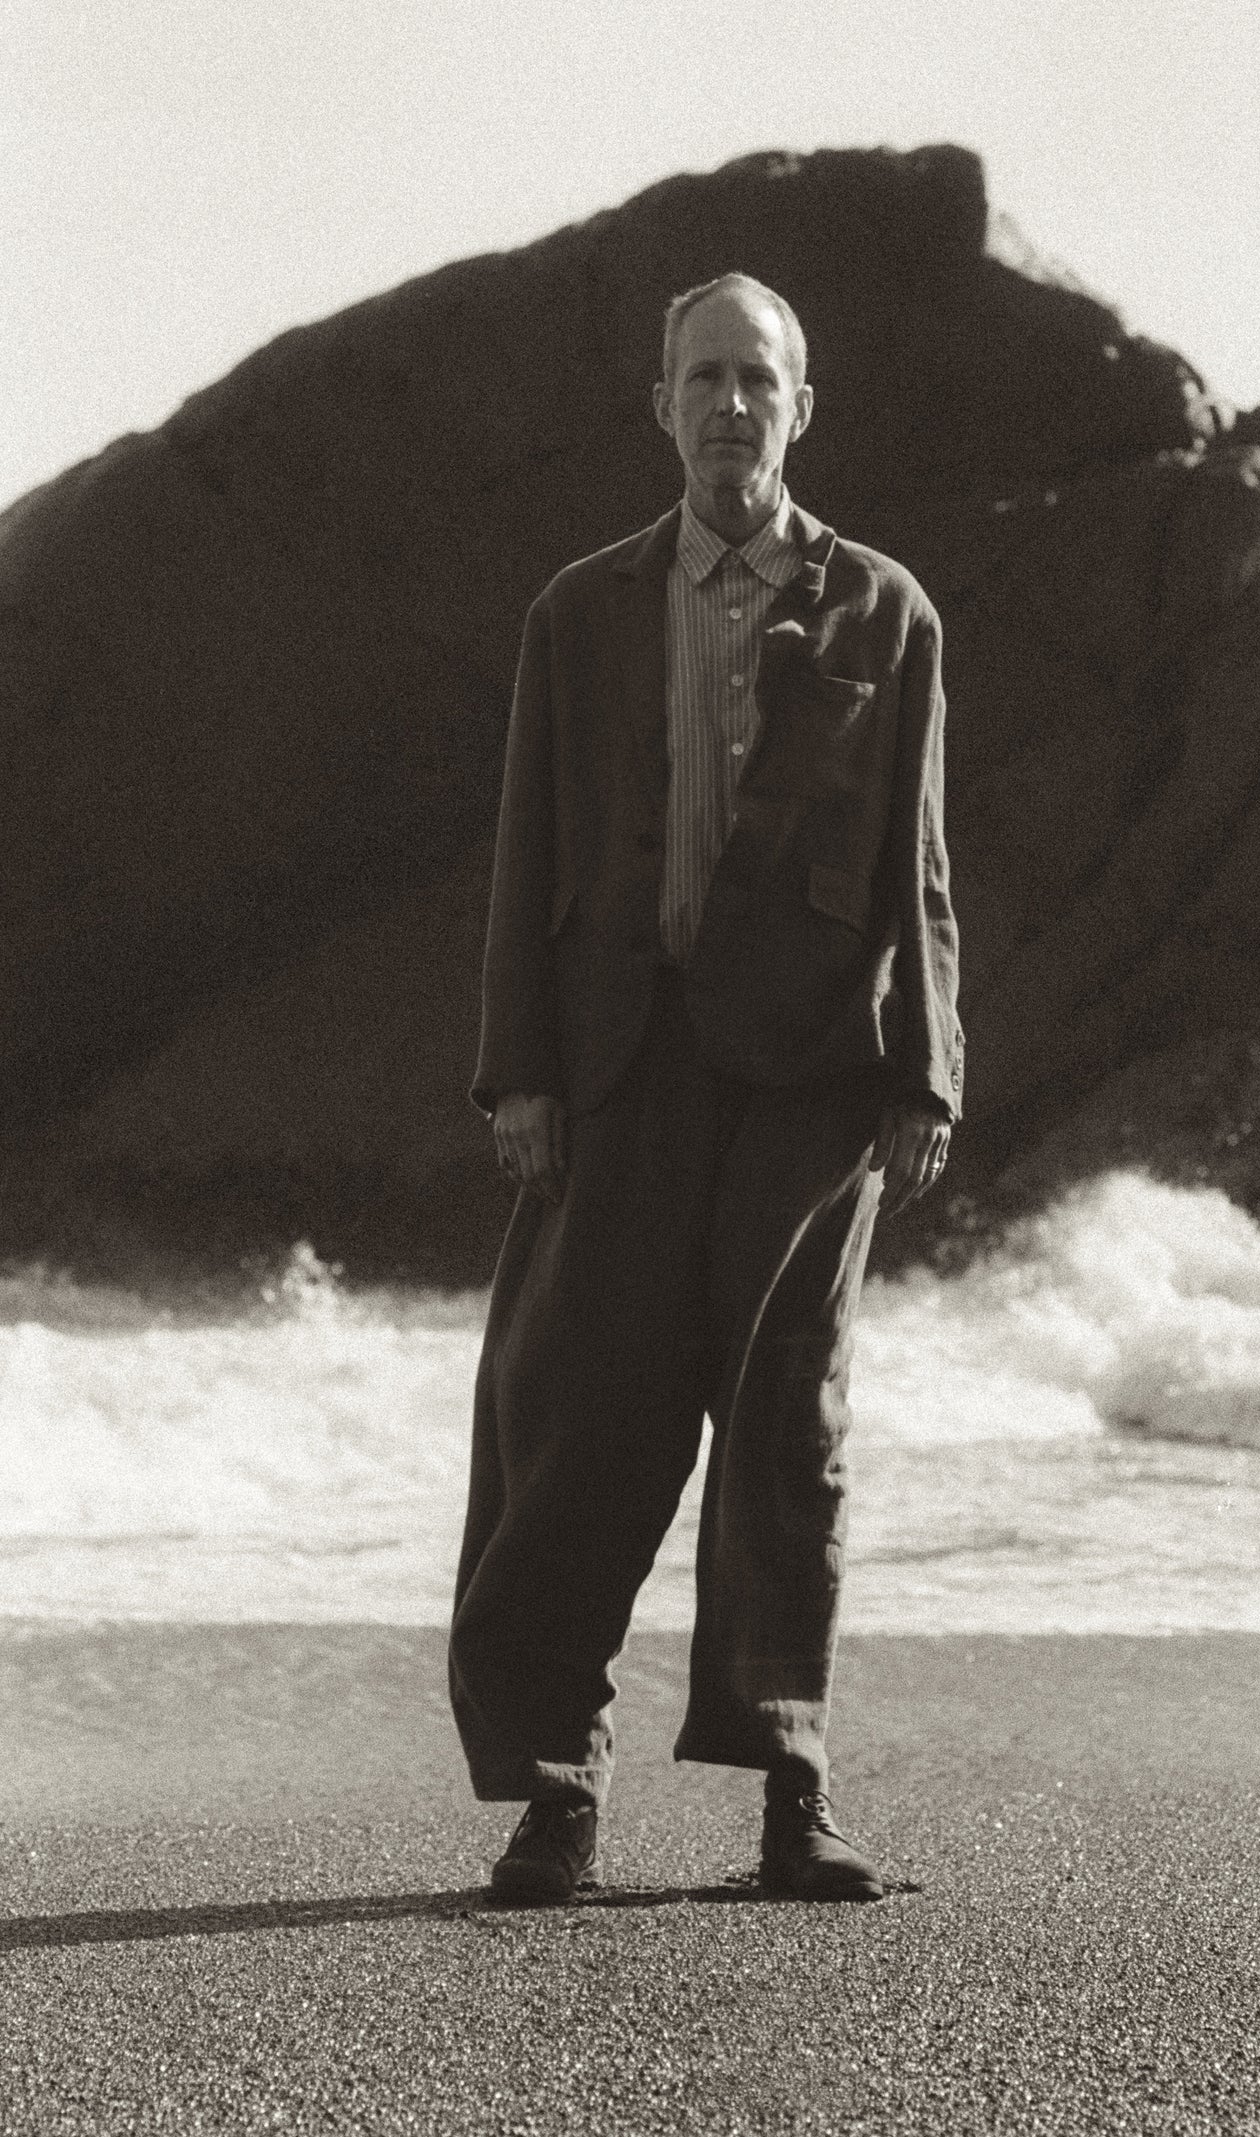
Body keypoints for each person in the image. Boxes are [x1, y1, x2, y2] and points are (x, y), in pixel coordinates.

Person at [449, 271, 963, 1905]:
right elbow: (526, 847)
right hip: (619, 1063)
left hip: (811, 1082)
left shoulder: (885, 609)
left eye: (759, 379)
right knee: (575, 1422)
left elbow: (919, 862)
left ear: (802, 408)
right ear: (661, 405)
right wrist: (519, 1073)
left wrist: (927, 1069)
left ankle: (794, 1794)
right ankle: (556, 1797)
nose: (731, 405)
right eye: (705, 378)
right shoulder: (578, 610)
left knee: (788, 1431)